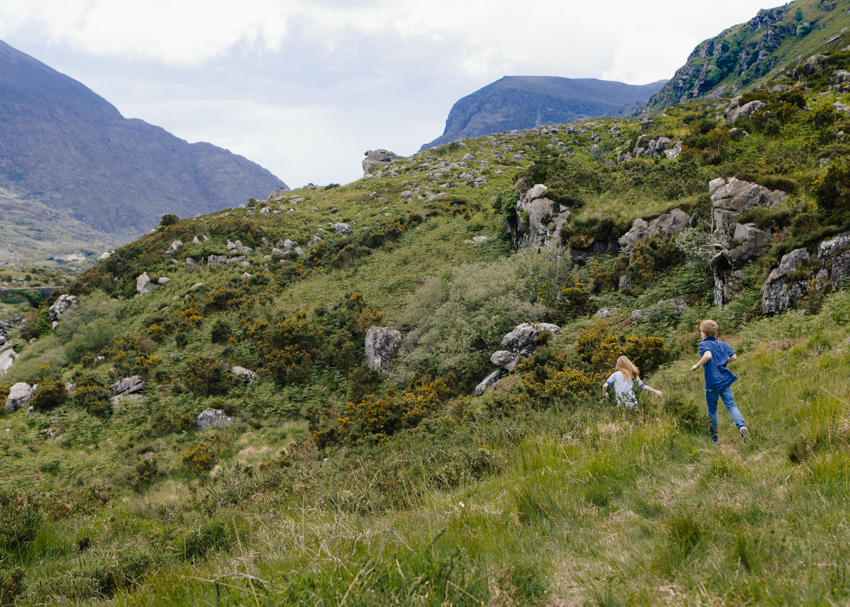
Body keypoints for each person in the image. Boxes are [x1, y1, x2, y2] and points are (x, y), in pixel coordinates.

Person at [691, 319, 749, 442]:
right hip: (725, 380)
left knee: (712, 409)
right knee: (731, 405)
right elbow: (733, 357)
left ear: (704, 334)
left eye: (701, 332)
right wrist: (722, 361)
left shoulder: (703, 345)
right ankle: (741, 426)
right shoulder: (722, 344)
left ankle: (714, 437)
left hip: (712, 383)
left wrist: (697, 365)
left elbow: (707, 356)